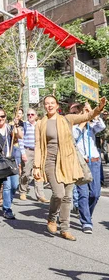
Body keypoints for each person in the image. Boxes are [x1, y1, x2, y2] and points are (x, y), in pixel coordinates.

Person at [33, 95, 106, 241]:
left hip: (68, 161)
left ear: (57, 105)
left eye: (52, 103)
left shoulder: (67, 119)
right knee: (58, 194)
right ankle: (52, 218)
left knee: (67, 197)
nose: (49, 105)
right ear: (44, 106)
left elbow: (88, 116)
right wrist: (36, 166)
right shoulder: (40, 123)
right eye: (47, 103)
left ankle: (65, 229)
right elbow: (39, 146)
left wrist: (99, 108)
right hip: (50, 161)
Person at [69, 102, 105, 234]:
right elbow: (74, 135)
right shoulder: (71, 126)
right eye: (72, 113)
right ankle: (86, 222)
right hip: (79, 162)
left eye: (76, 112)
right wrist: (83, 120)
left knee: (95, 194)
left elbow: (101, 126)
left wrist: (92, 113)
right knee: (83, 193)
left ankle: (87, 214)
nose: (73, 115)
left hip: (94, 161)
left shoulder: (90, 125)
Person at [0, 107, 23, 220]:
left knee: (15, 185)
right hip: (0, 160)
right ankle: (7, 209)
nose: (0, 119)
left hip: (11, 159)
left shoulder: (10, 128)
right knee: (7, 186)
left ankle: (7, 201)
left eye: (2, 116)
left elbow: (20, 136)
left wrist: (17, 126)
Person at [18, 109, 48, 202]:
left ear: (36, 116)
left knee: (38, 173)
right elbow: (20, 139)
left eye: (32, 114)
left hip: (38, 151)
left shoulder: (39, 125)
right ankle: (23, 191)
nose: (30, 116)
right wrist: (23, 153)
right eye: (28, 114)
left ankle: (40, 196)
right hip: (27, 150)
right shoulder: (24, 125)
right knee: (26, 173)